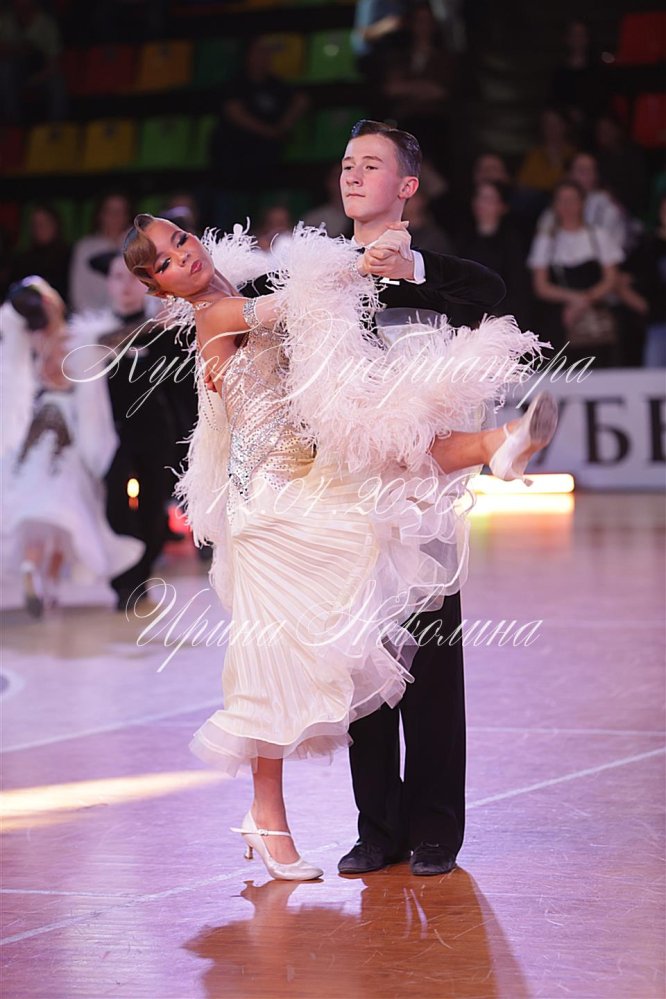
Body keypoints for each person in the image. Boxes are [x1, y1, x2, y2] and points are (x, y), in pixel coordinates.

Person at [122, 207, 556, 882]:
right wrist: (356, 265)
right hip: (271, 505)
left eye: (181, 239)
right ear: (160, 286)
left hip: (305, 480)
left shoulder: (233, 293)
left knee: (381, 469)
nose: (185, 255)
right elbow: (289, 305)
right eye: (167, 260)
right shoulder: (216, 315)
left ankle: (496, 444)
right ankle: (269, 817)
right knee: (273, 664)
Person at [0, 277, 143, 616]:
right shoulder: (75, 340)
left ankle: (34, 570)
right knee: (66, 507)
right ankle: (48, 586)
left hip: (38, 426)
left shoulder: (31, 344)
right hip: (67, 427)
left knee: (36, 504)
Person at [69, 250, 191, 611]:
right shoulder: (92, 335)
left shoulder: (166, 329)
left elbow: (182, 383)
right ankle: (123, 578)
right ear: (107, 283)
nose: (125, 285)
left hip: (155, 431)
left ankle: (140, 578)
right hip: (111, 434)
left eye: (134, 278)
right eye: (117, 277)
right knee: (116, 507)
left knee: (153, 507)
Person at [528, 179, 622, 364]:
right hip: (560, 321)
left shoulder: (598, 236)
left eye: (572, 200)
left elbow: (611, 279)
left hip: (596, 323)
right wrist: (573, 299)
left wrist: (584, 301)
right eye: (561, 200)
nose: (567, 206)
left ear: (582, 203)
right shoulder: (546, 240)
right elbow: (541, 286)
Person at [454, 180, 531, 329]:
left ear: (502, 207)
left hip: (502, 319)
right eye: (479, 197)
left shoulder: (512, 241)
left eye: (488, 199)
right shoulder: (463, 238)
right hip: (466, 322)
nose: (481, 203)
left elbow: (517, 286)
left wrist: (494, 321)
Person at [68, 193, 132, 313]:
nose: (115, 217)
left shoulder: (137, 244)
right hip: (93, 318)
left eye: (120, 211)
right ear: (100, 214)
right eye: (110, 211)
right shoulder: (85, 247)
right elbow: (79, 292)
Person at [11, 204, 71, 304]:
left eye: (44, 223)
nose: (39, 228)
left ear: (56, 224)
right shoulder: (22, 260)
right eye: (35, 224)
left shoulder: (69, 257)